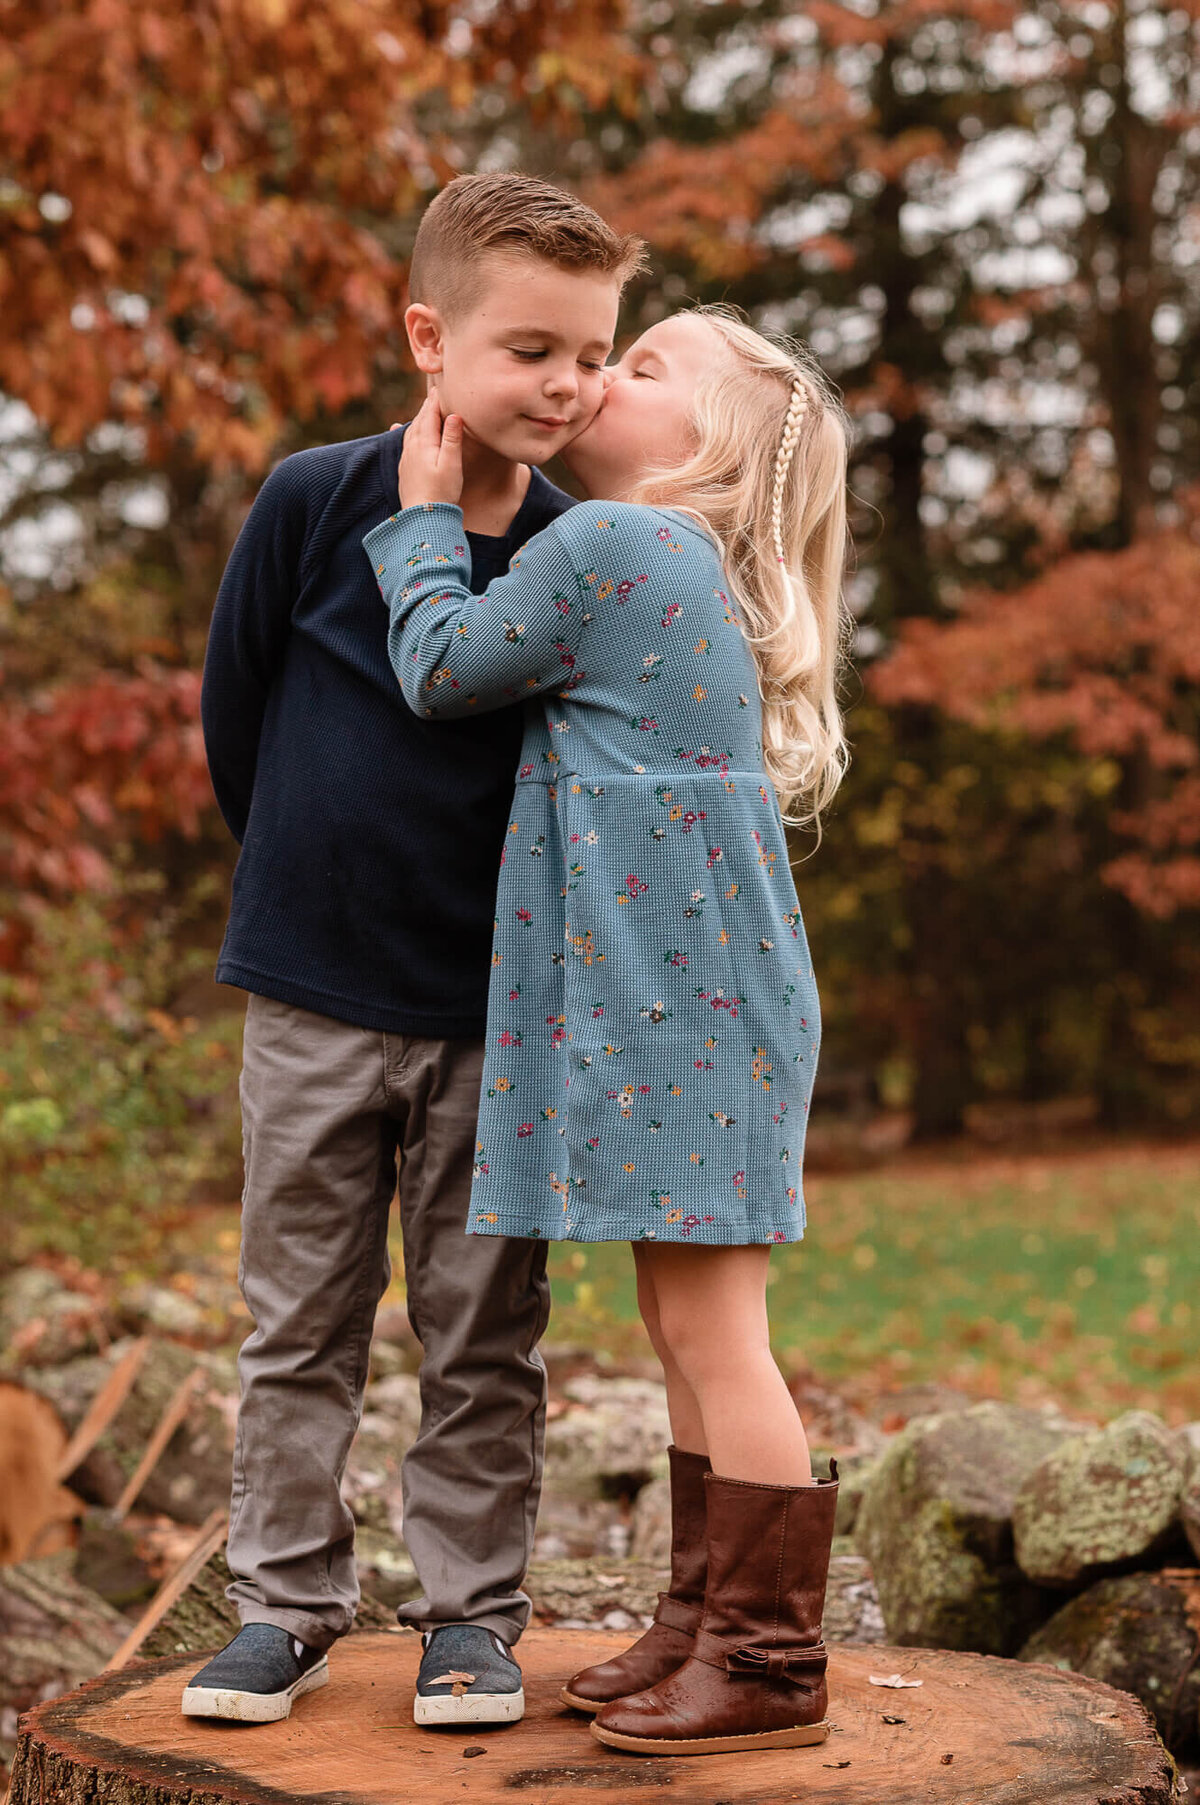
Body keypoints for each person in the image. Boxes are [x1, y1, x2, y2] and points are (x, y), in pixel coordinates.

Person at [183, 172, 645, 1729]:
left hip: (493, 1014)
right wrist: (306, 881)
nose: (569, 385)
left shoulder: (582, 553)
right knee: (298, 1317)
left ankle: (471, 1620)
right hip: (313, 992)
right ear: (429, 338)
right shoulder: (314, 501)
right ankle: (285, 1608)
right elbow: (236, 716)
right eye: (531, 350)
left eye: (592, 352)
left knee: (482, 1332)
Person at [362, 304, 853, 1757]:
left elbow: (443, 668)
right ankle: (705, 1619)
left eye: (642, 367)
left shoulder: (615, 545)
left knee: (715, 1331)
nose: (596, 375)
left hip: (679, 997)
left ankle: (770, 1660)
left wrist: (423, 522)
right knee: (682, 1323)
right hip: (698, 991)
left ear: (709, 447)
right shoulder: (674, 557)